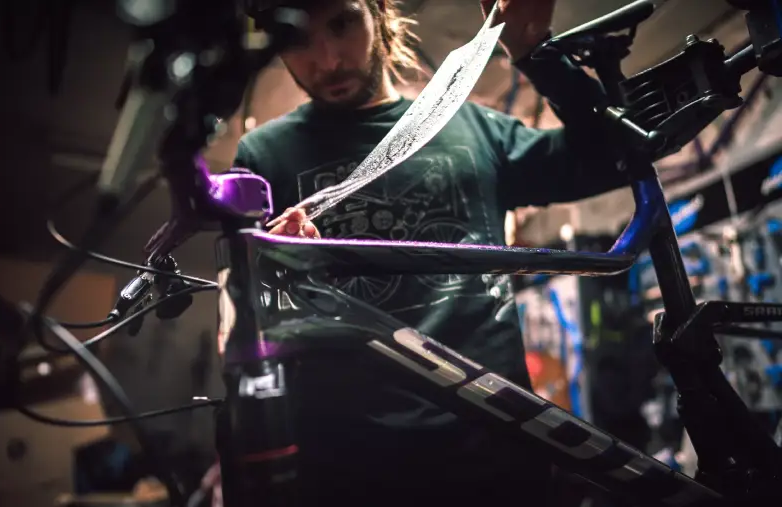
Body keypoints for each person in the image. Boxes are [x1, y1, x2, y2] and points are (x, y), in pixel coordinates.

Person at [234, 0, 629, 505]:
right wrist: (281, 277)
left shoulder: (473, 130)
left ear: (379, 13)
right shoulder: (263, 157)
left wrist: (537, 52)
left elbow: (612, 156)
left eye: (341, 23)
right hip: (346, 467)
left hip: (498, 450)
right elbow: (247, 325)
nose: (328, 59)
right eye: (298, 38)